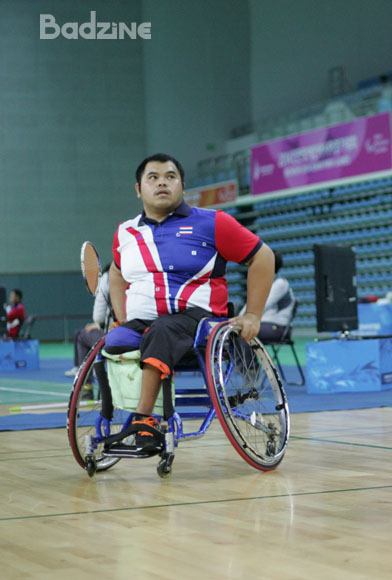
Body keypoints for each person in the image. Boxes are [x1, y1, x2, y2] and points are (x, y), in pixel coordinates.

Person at [105, 153, 274, 451]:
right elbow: (116, 273)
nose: (162, 182)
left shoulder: (213, 222)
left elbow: (263, 257)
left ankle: (143, 419)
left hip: (200, 321)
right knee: (112, 340)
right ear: (139, 189)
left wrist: (253, 314)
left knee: (162, 330)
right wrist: (121, 317)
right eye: (153, 177)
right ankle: (109, 412)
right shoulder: (126, 232)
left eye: (170, 177)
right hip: (147, 323)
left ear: (182, 186)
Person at [65, 267, 112, 377]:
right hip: (139, 336)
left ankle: (86, 379)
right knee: (80, 332)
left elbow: (99, 317)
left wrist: (98, 324)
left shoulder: (107, 278)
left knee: (81, 335)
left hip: (113, 339)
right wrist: (99, 325)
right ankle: (81, 368)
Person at [241, 249, 295, 343]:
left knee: (244, 331)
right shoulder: (264, 282)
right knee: (239, 329)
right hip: (264, 324)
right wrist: (239, 319)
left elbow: (261, 305)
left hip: (278, 327)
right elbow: (251, 304)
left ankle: (246, 354)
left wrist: (242, 320)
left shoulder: (280, 283)